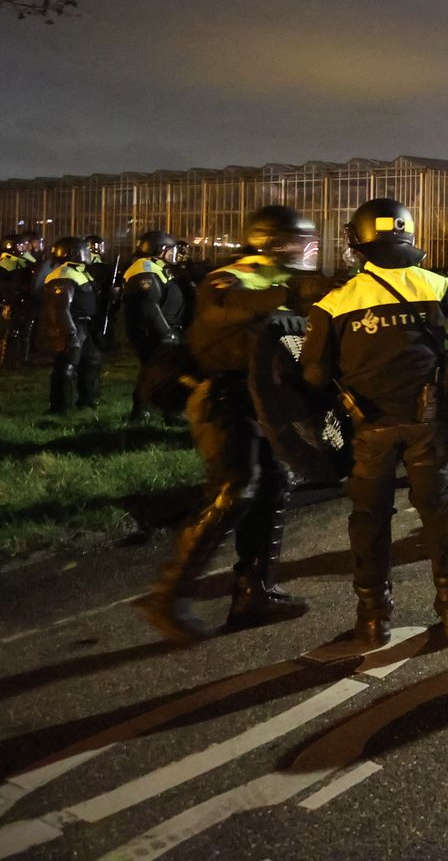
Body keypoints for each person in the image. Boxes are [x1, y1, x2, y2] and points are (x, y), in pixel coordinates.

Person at [302, 198, 448, 643]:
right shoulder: (432, 284)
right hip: (428, 422)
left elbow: (312, 372)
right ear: (409, 235)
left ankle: (373, 616)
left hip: (367, 429)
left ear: (358, 242)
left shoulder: (335, 302)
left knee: (369, 517)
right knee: (441, 513)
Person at [137, 205, 321, 643]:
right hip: (220, 395)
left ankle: (254, 592)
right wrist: (291, 290)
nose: (306, 251)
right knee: (235, 487)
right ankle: (169, 595)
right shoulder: (229, 279)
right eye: (297, 244)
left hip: (262, 399)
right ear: (270, 244)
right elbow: (227, 308)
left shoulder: (285, 284)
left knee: (275, 484)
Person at [122, 229, 186, 422]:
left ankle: (164, 412)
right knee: (155, 372)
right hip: (154, 332)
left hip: (162, 330)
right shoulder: (145, 269)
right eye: (171, 250)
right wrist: (165, 333)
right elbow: (149, 304)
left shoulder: (155, 267)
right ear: (160, 250)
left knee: (163, 372)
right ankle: (144, 413)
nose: (174, 255)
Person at [36, 236, 102, 415]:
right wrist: (70, 333)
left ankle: (87, 402)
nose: (87, 254)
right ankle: (59, 407)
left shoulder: (80, 272)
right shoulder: (63, 274)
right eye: (83, 250)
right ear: (72, 253)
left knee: (91, 361)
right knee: (66, 366)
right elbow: (61, 309)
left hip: (85, 325)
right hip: (72, 325)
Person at [0, 232, 38, 368]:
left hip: (25, 302)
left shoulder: (24, 261)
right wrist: (19, 286)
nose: (26, 248)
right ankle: (4, 361)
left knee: (25, 332)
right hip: (9, 303)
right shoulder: (0, 263)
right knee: (10, 333)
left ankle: (22, 359)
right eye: (22, 246)